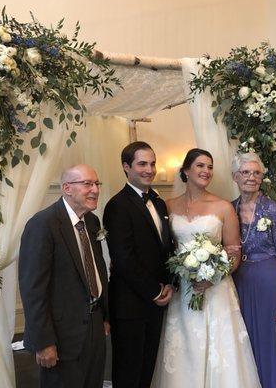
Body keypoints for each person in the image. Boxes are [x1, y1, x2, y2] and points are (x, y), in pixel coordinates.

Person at [151, 148, 261, 388]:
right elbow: (164, 250)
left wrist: (213, 277)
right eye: (200, 166)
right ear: (186, 171)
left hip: (216, 291)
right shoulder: (168, 206)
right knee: (185, 348)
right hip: (183, 291)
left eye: (210, 167)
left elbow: (234, 253)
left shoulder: (223, 207)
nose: (206, 171)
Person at [18, 164, 109, 388]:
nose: (95, 190)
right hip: (61, 335)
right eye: (87, 184)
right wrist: (44, 342)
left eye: (96, 184)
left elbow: (97, 269)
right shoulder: (43, 224)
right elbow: (33, 290)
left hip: (94, 326)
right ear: (67, 188)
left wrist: (104, 316)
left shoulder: (91, 221)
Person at [103, 141, 174, 388]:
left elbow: (167, 249)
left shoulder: (160, 202)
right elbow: (123, 259)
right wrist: (154, 291)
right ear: (126, 167)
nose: (150, 169)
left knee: (147, 370)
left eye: (153, 163)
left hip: (157, 302)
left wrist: (169, 284)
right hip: (130, 304)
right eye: (142, 163)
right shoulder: (117, 206)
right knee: (128, 372)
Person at [231, 152, 276, 388]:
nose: (251, 177)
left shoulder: (272, 210)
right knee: (244, 336)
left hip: (268, 281)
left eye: (256, 173)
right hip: (239, 280)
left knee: (268, 336)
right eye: (246, 172)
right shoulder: (230, 209)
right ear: (235, 177)